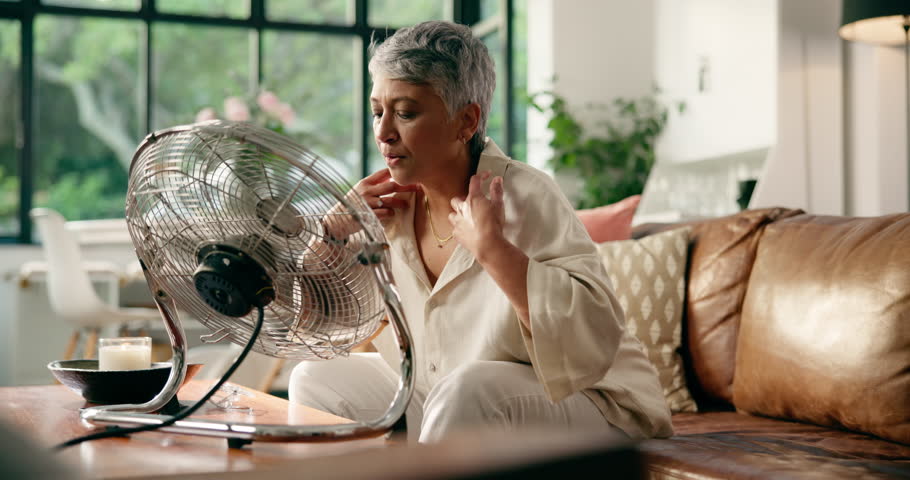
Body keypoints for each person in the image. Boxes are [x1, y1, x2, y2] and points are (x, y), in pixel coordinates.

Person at [289, 20, 673, 444]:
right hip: (447, 392)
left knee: (467, 389)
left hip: (588, 398)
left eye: (406, 112)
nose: (383, 132)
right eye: (378, 111)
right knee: (316, 378)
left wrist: (493, 250)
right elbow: (313, 323)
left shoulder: (527, 194)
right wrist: (331, 234)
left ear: (465, 121)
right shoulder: (386, 207)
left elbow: (592, 335)